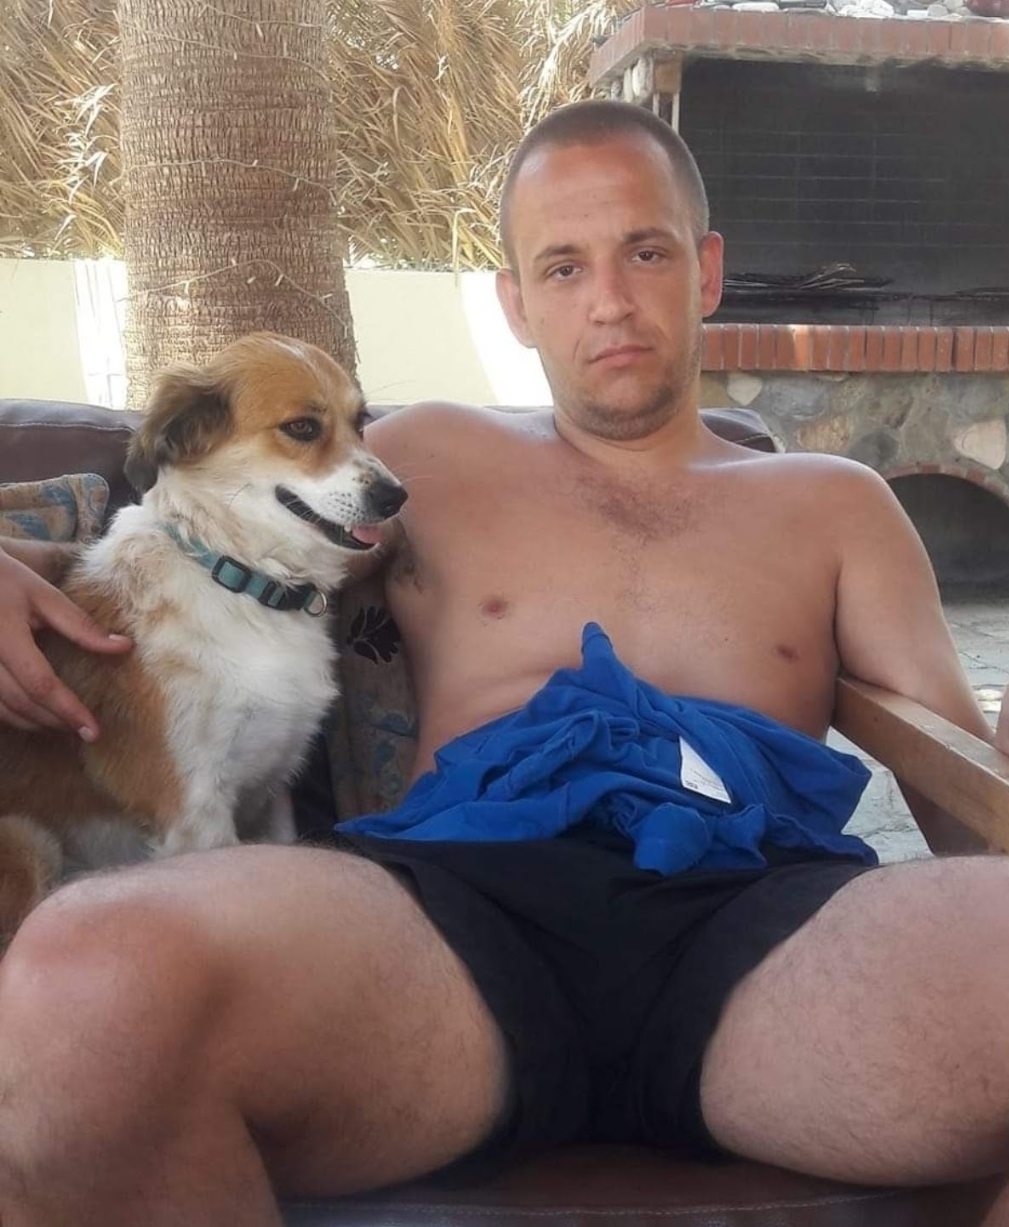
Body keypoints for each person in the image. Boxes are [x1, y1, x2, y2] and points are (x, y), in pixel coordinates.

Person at [1, 98, 1008, 1227]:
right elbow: (190, 548)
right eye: (563, 267)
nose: (610, 301)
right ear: (516, 303)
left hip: (764, 920)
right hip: (456, 906)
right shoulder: (425, 457)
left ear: (708, 270)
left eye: (645, 252)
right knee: (82, 977)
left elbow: (964, 782)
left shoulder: (835, 502)